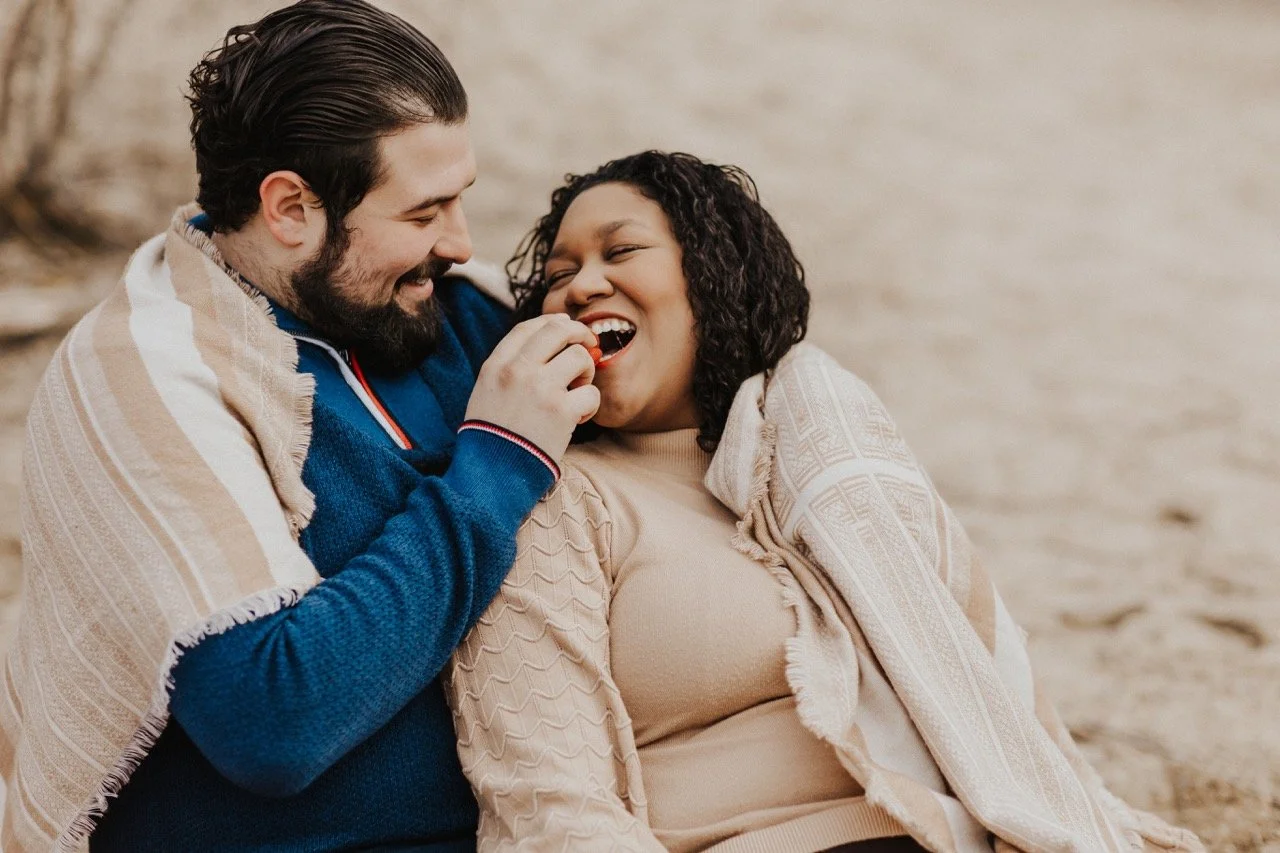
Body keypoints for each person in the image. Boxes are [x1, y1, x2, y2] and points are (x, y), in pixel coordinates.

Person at [447, 152, 1206, 853]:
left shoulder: (829, 461)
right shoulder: (558, 500)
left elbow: (996, 702)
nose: (579, 286)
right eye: (559, 272)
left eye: (620, 252)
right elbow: (549, 802)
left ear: (713, 276)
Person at [0, 2, 600, 851]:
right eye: (424, 213)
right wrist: (497, 466)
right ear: (289, 208)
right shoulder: (148, 373)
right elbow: (272, 718)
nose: (461, 244)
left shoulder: (455, 319)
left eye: (460, 201)